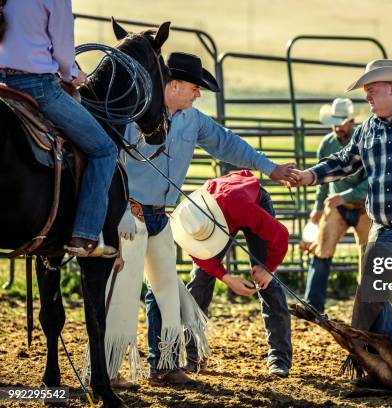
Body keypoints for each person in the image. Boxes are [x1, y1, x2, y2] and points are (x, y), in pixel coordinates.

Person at [104, 52, 299, 387]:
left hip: (160, 217)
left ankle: (164, 365)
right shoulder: (132, 114)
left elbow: (227, 144)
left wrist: (270, 168)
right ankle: (106, 371)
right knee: (121, 292)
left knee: (164, 293)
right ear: (174, 84)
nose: (198, 94)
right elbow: (108, 160)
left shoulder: (192, 119)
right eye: (195, 87)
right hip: (128, 214)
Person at [293, 59, 392, 353]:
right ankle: (373, 358)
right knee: (369, 299)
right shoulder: (369, 129)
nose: (367, 97)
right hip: (385, 227)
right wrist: (311, 175)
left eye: (372, 90)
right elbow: (345, 161)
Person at [0, 0, 118, 256]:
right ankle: (84, 235)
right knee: (104, 150)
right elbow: (64, 55)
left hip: (2, 85)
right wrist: (73, 73)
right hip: (37, 87)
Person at [173, 171, 293, 378]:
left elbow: (280, 235)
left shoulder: (245, 210)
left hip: (249, 201)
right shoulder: (192, 216)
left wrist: (268, 268)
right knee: (200, 279)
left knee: (267, 283)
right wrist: (226, 278)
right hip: (216, 212)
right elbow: (199, 256)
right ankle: (192, 354)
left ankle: (279, 357)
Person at [303, 97, 370, 313]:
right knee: (321, 249)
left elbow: (373, 181)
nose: (337, 126)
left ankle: (369, 309)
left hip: (364, 207)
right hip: (336, 205)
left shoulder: (365, 141)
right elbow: (321, 178)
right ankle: (313, 307)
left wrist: (347, 195)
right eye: (334, 121)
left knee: (369, 257)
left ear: (351, 122)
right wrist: (317, 207)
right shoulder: (327, 144)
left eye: (341, 122)